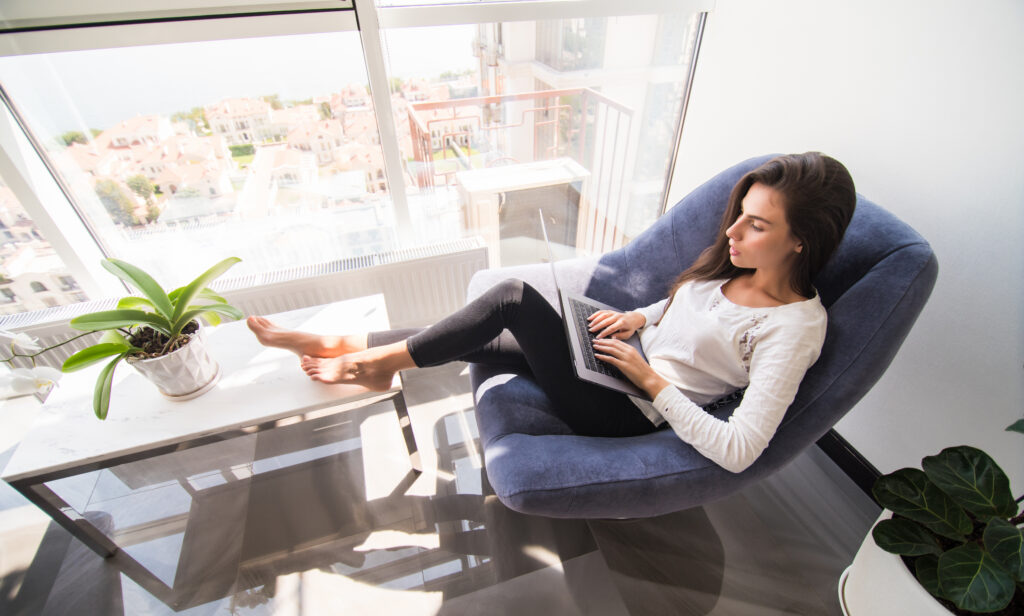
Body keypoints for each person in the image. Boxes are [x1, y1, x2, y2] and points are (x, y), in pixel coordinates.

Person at [248, 152, 856, 474]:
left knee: (511, 298)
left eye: (757, 223)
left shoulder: (794, 327)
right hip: (622, 359)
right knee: (475, 334)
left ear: (802, 239)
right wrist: (642, 318)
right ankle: (337, 343)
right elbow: (690, 308)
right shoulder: (738, 265)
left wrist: (651, 380)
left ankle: (374, 364)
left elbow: (740, 448)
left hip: (629, 407)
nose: (733, 230)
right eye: (739, 212)